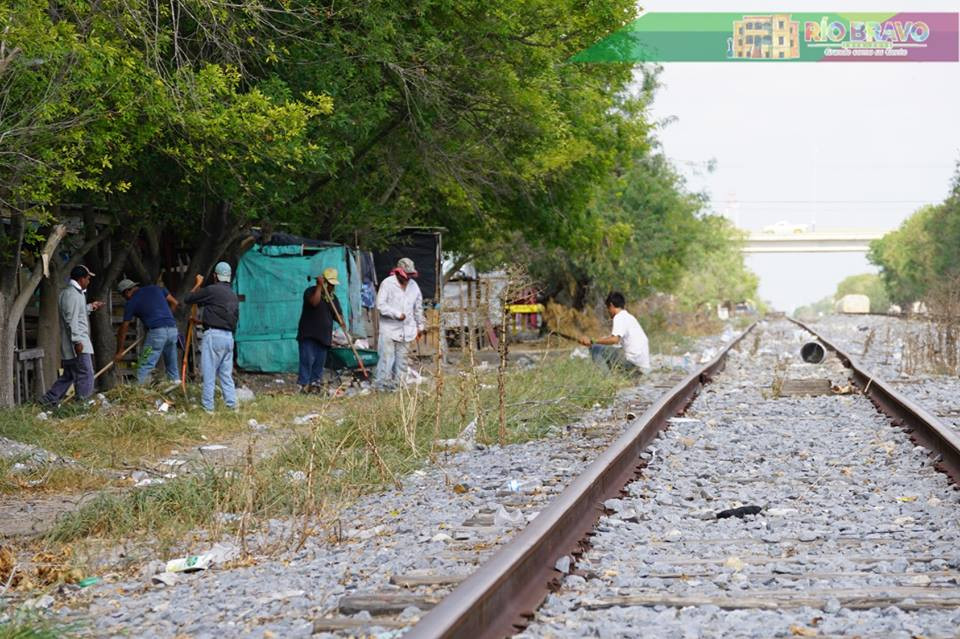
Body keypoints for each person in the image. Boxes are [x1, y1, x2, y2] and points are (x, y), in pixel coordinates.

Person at [41, 265, 105, 404]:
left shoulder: (74, 293)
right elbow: (71, 319)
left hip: (74, 343)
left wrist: (90, 307)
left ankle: (48, 400)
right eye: (88, 278)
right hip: (78, 343)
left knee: (69, 375)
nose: (89, 281)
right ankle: (82, 404)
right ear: (81, 279)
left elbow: (76, 313)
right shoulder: (72, 294)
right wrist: (77, 341)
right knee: (86, 374)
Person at [183, 262, 239, 412]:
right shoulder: (233, 295)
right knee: (226, 376)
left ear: (215, 276)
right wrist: (200, 321)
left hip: (213, 337)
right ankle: (232, 407)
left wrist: (198, 284)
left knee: (209, 375)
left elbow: (188, 298)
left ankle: (208, 409)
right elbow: (225, 318)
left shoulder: (212, 290)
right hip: (228, 338)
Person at [114, 279, 181, 385]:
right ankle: (177, 388)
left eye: (123, 296)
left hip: (157, 334)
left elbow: (124, 327)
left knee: (145, 364)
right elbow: (175, 303)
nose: (125, 299)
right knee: (172, 366)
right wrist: (165, 319)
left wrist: (120, 350)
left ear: (127, 291)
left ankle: (141, 394)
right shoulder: (157, 289)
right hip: (172, 330)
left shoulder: (132, 302)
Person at [374, 257, 425, 390]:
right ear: (398, 272)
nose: (407, 278)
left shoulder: (414, 286)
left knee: (402, 361)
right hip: (389, 330)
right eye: (405, 275)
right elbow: (380, 305)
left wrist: (420, 326)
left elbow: (418, 308)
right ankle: (382, 387)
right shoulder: (387, 283)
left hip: (407, 330)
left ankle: (400, 389)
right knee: (386, 360)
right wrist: (396, 314)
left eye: (410, 275)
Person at [579, 292, 651, 374]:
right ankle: (627, 375)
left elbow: (614, 340)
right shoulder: (629, 317)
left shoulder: (619, 317)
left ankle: (606, 380)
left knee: (595, 348)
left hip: (632, 362)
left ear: (611, 305)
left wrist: (592, 342)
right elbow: (616, 343)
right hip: (641, 363)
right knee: (606, 350)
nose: (608, 311)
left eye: (608, 308)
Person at [296, 267, 342, 392]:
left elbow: (339, 317)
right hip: (308, 334)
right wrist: (319, 287)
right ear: (324, 282)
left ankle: (315, 384)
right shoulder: (310, 292)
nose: (332, 287)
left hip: (324, 337)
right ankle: (303, 385)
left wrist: (341, 320)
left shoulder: (333, 298)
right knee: (306, 360)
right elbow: (314, 303)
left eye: (333, 285)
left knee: (319, 363)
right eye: (330, 284)